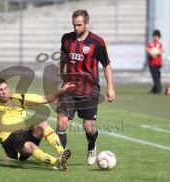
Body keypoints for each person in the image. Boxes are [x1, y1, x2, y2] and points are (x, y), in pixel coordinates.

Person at [0, 78, 74, 171]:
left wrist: (61, 90)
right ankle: (56, 162)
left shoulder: (19, 98)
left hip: (23, 133)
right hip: (10, 140)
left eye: (6, 88)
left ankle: (61, 152)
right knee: (30, 145)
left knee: (41, 123)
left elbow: (44, 99)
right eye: (0, 90)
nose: (4, 91)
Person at [56, 9, 116, 166]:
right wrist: (61, 73)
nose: (76, 28)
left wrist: (110, 87)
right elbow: (63, 57)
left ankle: (91, 145)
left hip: (89, 90)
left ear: (87, 24)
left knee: (88, 127)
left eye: (79, 25)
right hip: (69, 88)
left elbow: (107, 65)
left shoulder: (97, 42)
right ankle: (61, 158)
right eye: (74, 25)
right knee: (61, 122)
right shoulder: (66, 39)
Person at [146, 30, 164, 94]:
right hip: (152, 63)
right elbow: (147, 49)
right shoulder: (151, 44)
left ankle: (154, 90)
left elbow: (161, 51)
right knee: (155, 76)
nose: (155, 37)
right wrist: (152, 53)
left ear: (159, 37)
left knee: (158, 76)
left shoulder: (160, 44)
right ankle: (159, 89)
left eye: (157, 36)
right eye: (155, 36)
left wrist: (156, 53)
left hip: (158, 63)